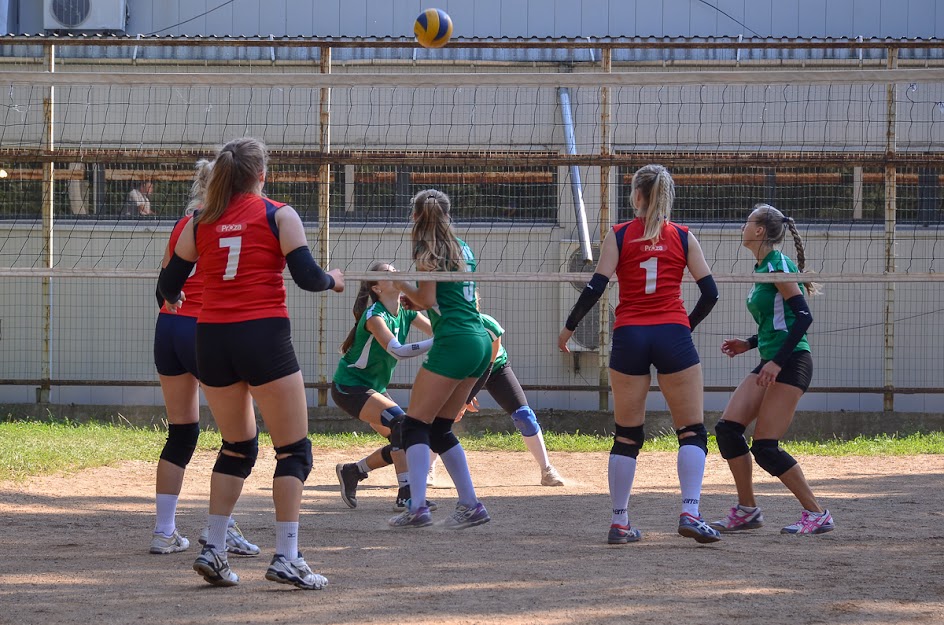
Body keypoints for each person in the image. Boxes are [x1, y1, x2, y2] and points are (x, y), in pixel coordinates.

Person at [158, 137, 344, 589]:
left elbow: (168, 283)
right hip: (262, 335)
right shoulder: (279, 213)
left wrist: (178, 293)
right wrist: (334, 281)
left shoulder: (200, 220)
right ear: (261, 174)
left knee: (237, 447)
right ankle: (287, 557)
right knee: (294, 451)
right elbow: (307, 277)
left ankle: (215, 549)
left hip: (212, 338)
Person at [558, 164, 722, 545]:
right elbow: (711, 293)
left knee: (627, 435)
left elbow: (595, 287)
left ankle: (619, 522)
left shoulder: (619, 234)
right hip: (672, 334)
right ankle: (690, 512)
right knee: (692, 431)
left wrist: (568, 328)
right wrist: (683, 327)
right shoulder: (682, 236)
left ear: (636, 196)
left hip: (629, 334)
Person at [150, 160, 259, 558]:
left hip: (169, 328)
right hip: (207, 329)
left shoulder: (186, 224)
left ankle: (164, 532)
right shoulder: (238, 224)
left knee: (181, 433)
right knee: (239, 440)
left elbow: (162, 286)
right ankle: (222, 530)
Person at [710, 204, 833, 535]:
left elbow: (803, 316)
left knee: (765, 447)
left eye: (748, 221)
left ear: (760, 230)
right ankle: (748, 509)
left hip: (791, 362)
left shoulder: (777, 264)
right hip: (772, 359)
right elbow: (777, 322)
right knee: (727, 430)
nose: (743, 226)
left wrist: (777, 362)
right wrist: (749, 344)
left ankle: (817, 513)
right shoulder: (762, 266)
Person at [387, 189, 492, 529]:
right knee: (441, 428)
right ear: (448, 215)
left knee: (415, 424)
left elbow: (427, 296)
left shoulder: (426, 250)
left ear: (416, 216)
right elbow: (449, 299)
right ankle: (471, 505)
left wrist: (398, 282)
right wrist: (416, 301)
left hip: (455, 341)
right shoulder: (464, 249)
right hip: (479, 340)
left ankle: (417, 507)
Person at [332, 260, 438, 512]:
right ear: (377, 289)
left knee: (404, 437)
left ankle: (353, 471)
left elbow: (438, 329)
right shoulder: (374, 317)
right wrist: (437, 342)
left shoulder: (406, 310)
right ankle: (406, 494)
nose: (396, 274)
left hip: (373, 388)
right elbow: (399, 351)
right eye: (389, 274)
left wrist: (456, 328)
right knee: (400, 422)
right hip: (350, 387)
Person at [459, 312, 565, 486]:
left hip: (495, 369)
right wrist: (463, 390)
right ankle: (429, 471)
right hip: (462, 371)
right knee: (443, 415)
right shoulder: (448, 327)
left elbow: (488, 368)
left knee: (524, 416)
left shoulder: (489, 326)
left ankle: (547, 470)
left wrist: (466, 398)